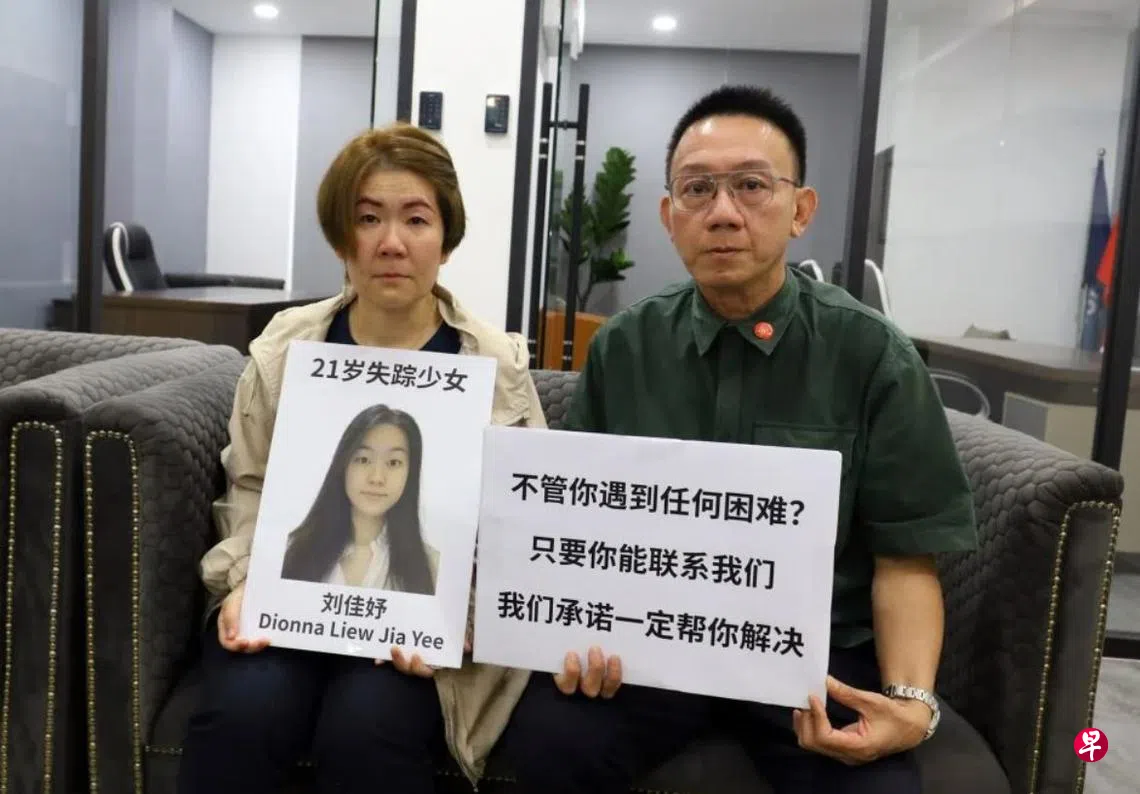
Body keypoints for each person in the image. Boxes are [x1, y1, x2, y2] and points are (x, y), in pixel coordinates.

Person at [501, 85, 978, 793]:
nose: (722, 212)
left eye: (751, 185)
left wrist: (912, 704)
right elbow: (579, 524)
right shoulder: (627, 346)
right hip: (651, 642)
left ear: (800, 209)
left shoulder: (871, 354)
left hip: (812, 656)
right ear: (669, 216)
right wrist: (574, 639)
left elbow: (906, 556)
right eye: (697, 189)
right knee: (542, 746)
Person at [178, 122, 547, 794]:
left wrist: (461, 619)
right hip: (288, 605)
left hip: (415, 630)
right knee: (243, 715)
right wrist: (244, 583)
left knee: (367, 730)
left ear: (447, 238)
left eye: (416, 219)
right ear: (340, 236)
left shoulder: (495, 366)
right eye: (368, 218)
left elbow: (521, 526)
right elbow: (251, 484)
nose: (391, 243)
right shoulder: (287, 347)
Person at [279, 403, 440, 594]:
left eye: (393, 462)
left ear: (410, 473)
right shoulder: (291, 550)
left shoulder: (432, 566)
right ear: (343, 465)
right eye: (363, 459)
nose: (377, 478)